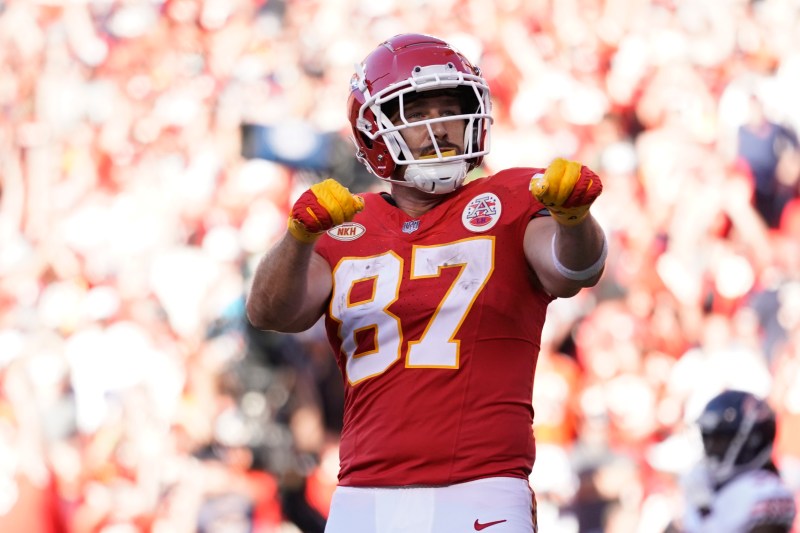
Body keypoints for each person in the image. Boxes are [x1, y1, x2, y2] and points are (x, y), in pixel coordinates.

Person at [246, 33, 607, 533]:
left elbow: (573, 269)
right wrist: (297, 238)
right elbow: (269, 312)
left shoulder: (511, 197)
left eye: (450, 107)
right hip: (363, 493)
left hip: (481, 484)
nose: (441, 125)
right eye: (417, 112)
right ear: (374, 129)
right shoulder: (344, 223)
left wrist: (575, 221)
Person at [678, 389, 797, 533]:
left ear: (752, 441)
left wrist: (704, 511)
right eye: (708, 439)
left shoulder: (767, 491)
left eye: (719, 440)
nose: (711, 448)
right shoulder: (707, 484)